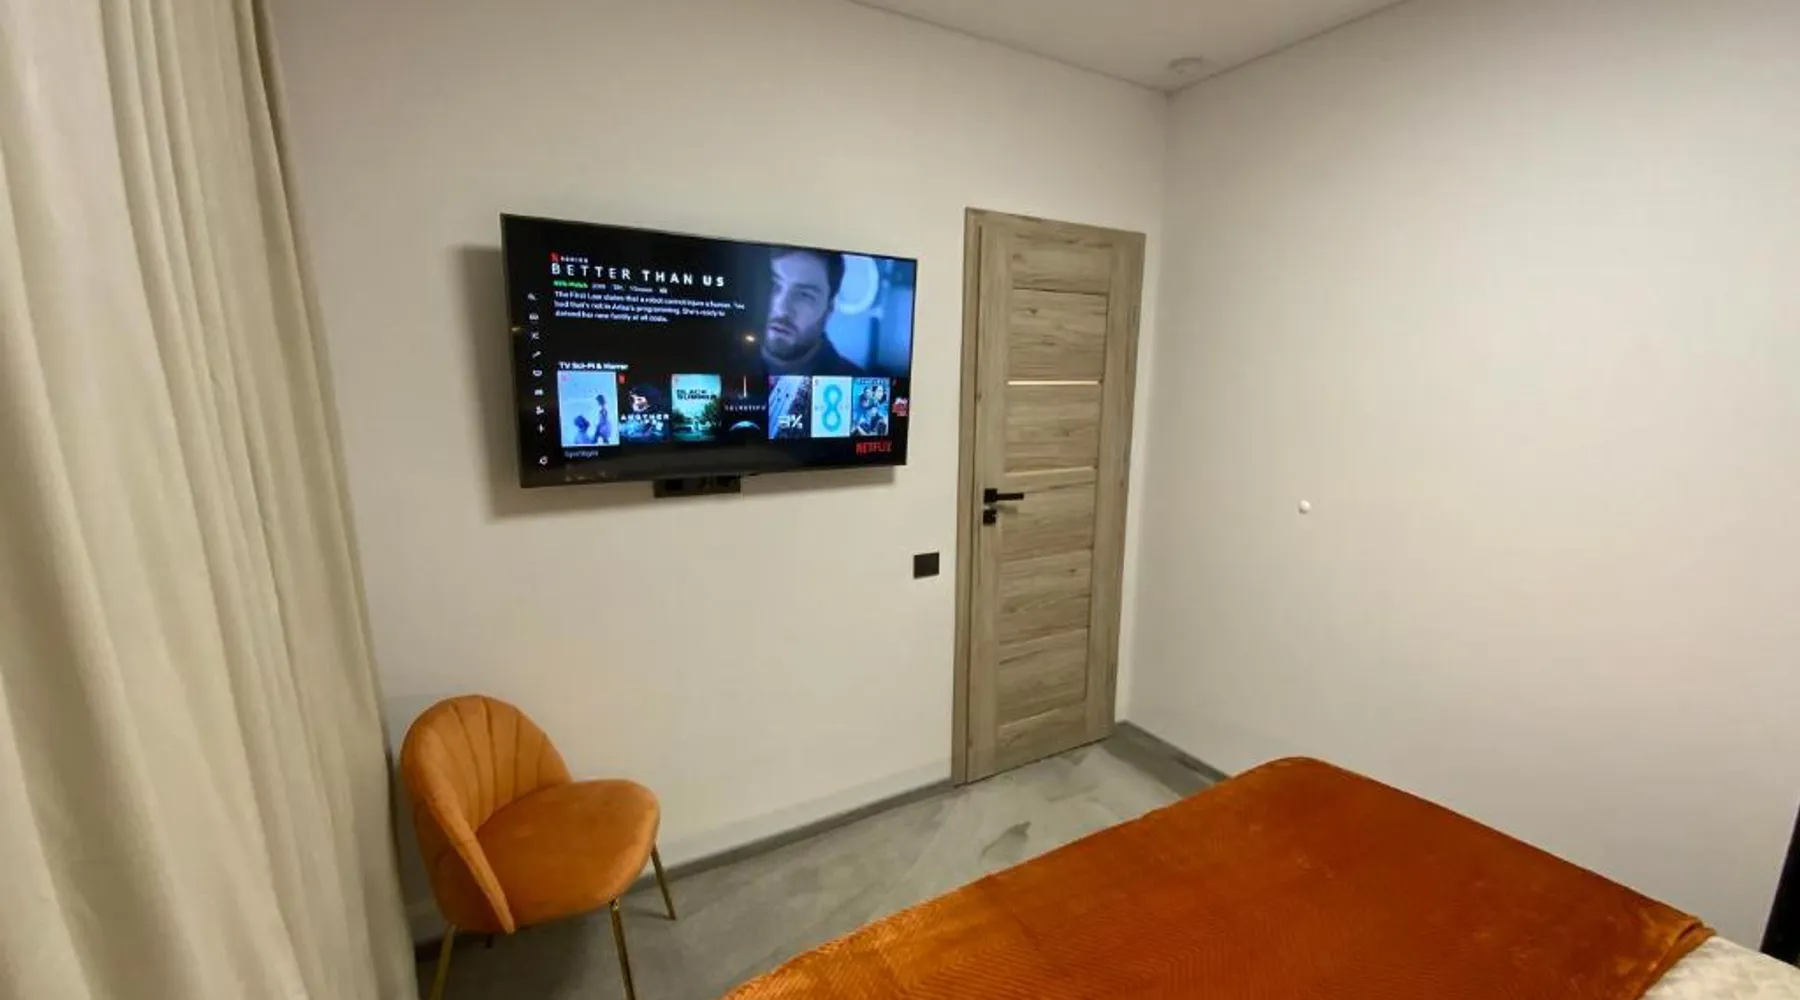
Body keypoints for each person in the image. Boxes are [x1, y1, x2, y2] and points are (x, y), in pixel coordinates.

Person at [762, 248, 862, 377]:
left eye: (804, 295)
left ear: (828, 309)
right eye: (773, 284)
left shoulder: (858, 381)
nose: (781, 309)